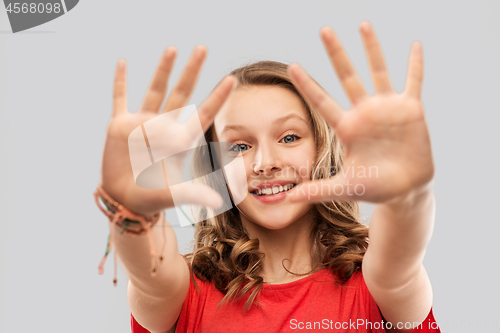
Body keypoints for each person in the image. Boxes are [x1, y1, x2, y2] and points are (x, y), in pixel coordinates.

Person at [96, 21, 441, 332]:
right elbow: (148, 273)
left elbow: (401, 254)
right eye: (240, 146)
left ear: (322, 146)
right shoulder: (182, 292)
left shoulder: (378, 279)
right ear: (216, 168)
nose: (265, 162)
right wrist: (130, 210)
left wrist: (409, 194)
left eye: (289, 137)